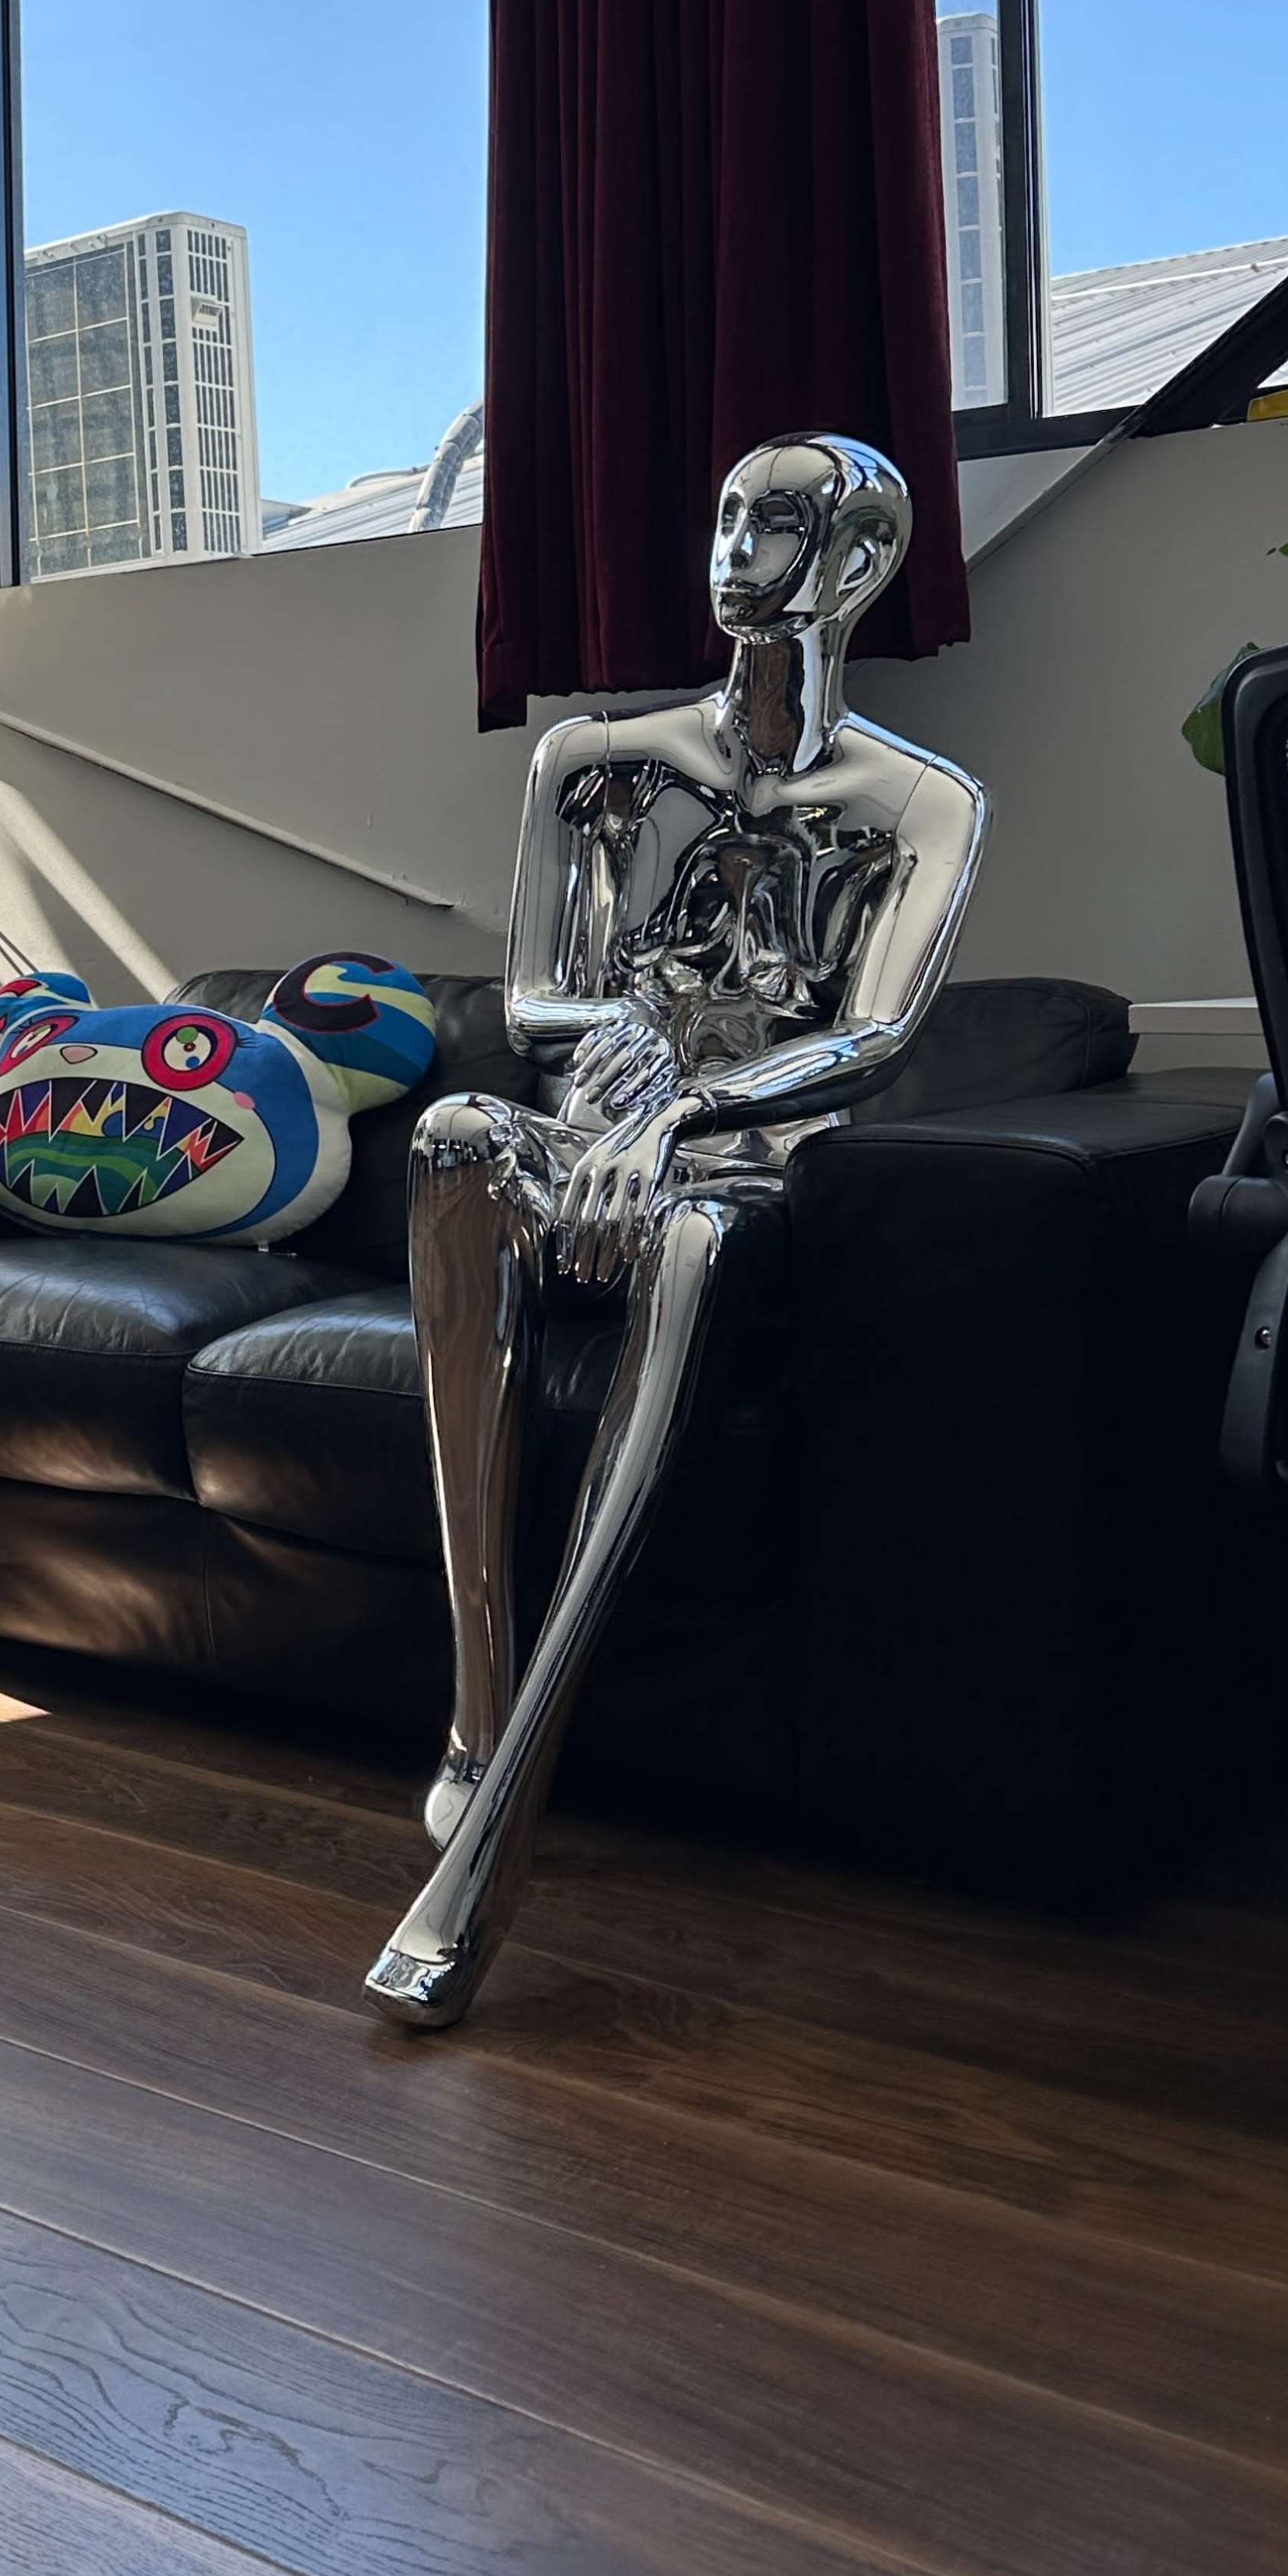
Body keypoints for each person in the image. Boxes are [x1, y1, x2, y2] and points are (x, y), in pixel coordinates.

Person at [367, 436, 985, 2029]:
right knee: (448, 1135)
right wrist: (627, 1047)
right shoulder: (596, 760)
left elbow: (876, 1034)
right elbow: (533, 996)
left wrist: (689, 1116)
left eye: (774, 524)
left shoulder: (923, 803)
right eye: (721, 513)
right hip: (596, 1130)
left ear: (852, 565)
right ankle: (475, 1702)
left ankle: (492, 1851)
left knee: (698, 1244)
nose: (729, 548)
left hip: (755, 1175)